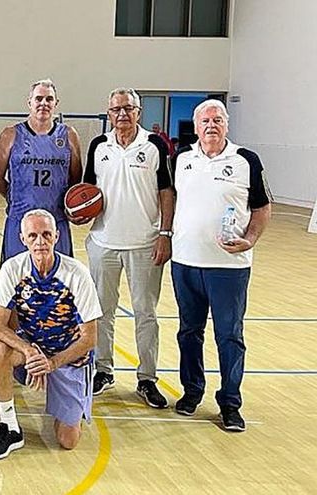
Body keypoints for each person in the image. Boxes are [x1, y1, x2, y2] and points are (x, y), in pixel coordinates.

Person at [170, 99, 271, 431]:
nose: (211, 125)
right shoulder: (182, 159)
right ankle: (191, 392)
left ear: (226, 124)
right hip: (184, 263)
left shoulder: (245, 160)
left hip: (228, 268)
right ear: (195, 126)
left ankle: (230, 402)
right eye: (205, 121)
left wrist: (250, 240)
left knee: (229, 336)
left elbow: (261, 208)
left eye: (217, 120)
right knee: (188, 333)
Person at [83, 87, 174, 409]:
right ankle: (102, 370)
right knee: (101, 313)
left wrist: (165, 233)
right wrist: (78, 212)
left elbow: (167, 191)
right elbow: (86, 192)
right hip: (102, 243)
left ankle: (147, 378)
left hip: (145, 245)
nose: (122, 114)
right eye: (116, 109)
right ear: (109, 113)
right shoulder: (98, 145)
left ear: (139, 112)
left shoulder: (154, 145)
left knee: (145, 314)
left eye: (128, 108)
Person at [0, 209, 101, 458]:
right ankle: (10, 426)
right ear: (22, 238)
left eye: (46, 234)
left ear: (57, 237)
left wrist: (52, 363)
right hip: (33, 351)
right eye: (33, 235)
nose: (40, 242)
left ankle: (72, 402)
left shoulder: (77, 274)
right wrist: (29, 351)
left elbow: (90, 338)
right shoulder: (12, 269)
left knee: (67, 440)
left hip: (67, 356)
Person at [0, 79, 82, 260]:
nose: (43, 103)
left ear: (56, 103)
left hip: (56, 221)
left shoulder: (68, 135)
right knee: (18, 281)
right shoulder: (11, 134)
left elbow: (75, 177)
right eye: (38, 98)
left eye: (49, 99)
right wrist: (14, 197)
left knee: (58, 281)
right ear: (30, 103)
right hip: (20, 220)